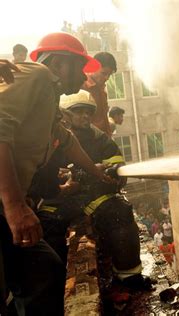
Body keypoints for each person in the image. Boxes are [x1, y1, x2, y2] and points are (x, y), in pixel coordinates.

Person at [0, 32, 107, 316]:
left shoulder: (49, 99)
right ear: (60, 63)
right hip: (4, 206)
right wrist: (14, 207)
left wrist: (96, 170)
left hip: (8, 207)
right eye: (80, 67)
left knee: (43, 272)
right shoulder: (37, 76)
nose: (84, 76)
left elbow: (66, 140)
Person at [40, 90, 153, 290]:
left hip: (93, 194)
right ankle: (55, 287)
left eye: (88, 112)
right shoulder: (50, 134)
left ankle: (128, 276)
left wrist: (114, 173)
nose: (85, 116)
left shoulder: (99, 137)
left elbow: (117, 162)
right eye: (78, 111)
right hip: (58, 199)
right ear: (64, 114)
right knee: (46, 227)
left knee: (120, 212)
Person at [82, 52, 117, 136]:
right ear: (93, 68)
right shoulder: (82, 88)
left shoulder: (102, 91)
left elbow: (103, 119)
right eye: (104, 73)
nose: (107, 78)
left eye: (109, 74)